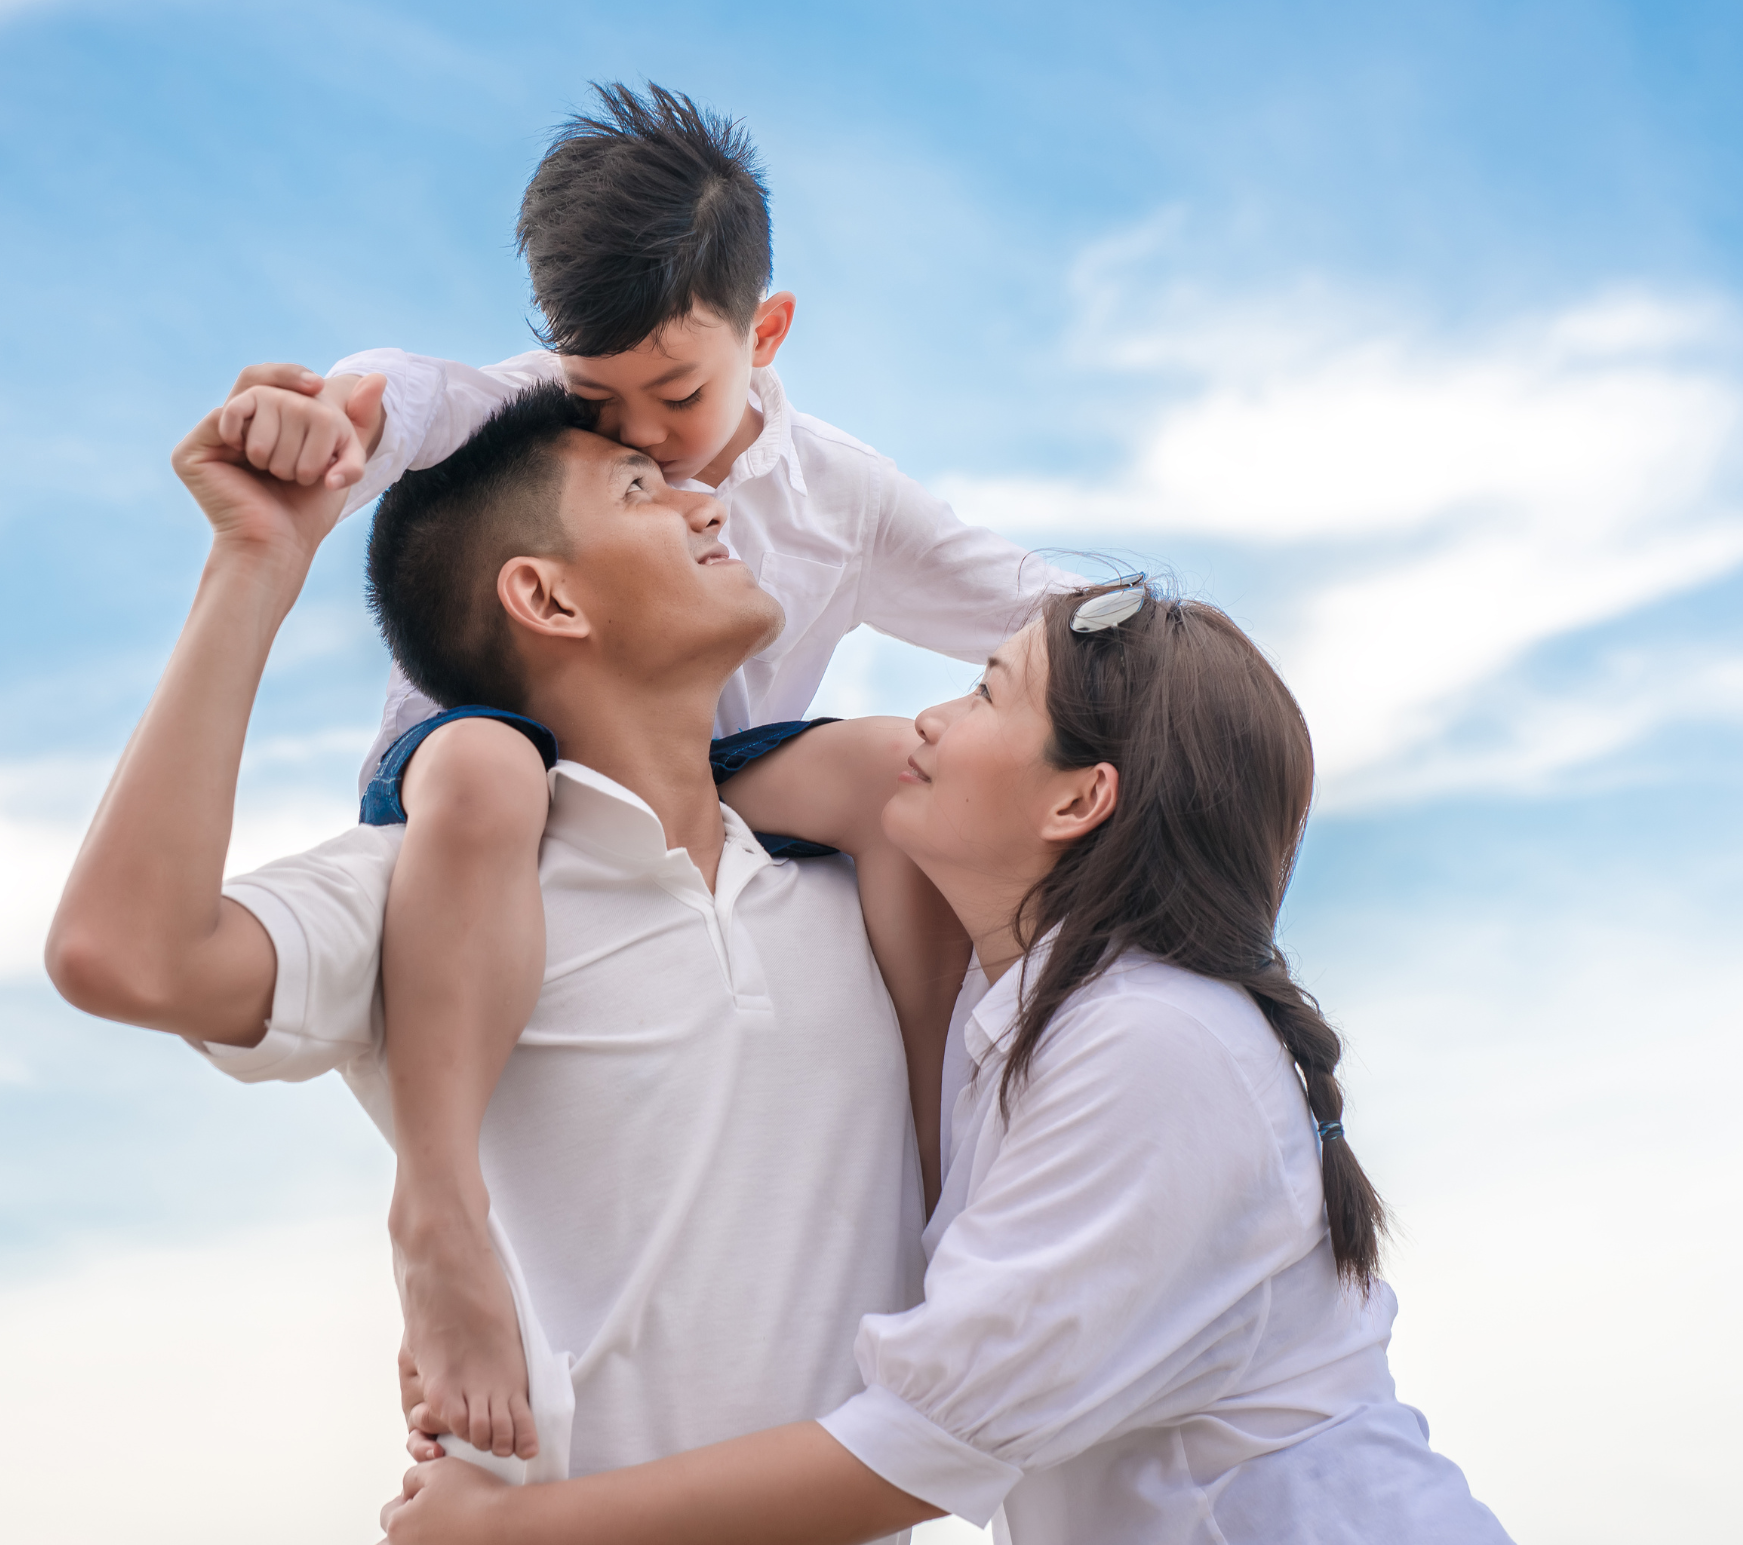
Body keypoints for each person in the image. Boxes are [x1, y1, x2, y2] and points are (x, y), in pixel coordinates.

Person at [219, 81, 1066, 1459]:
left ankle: (938, 1184)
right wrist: (323, 417)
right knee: (496, 769)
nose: (645, 440)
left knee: (887, 778)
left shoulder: (839, 494)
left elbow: (1011, 596)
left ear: (767, 332)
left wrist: (1157, 637)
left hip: (705, 779)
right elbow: (406, 389)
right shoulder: (540, 418)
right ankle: (437, 1209)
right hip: (481, 763)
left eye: (677, 393)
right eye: (599, 398)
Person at [379, 581, 1517, 1544]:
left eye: (983, 693)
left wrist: (510, 1527)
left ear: (1079, 797)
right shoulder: (1032, 1013)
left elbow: (917, 1449)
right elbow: (689, 790)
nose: (926, 717)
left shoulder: (1151, 1045)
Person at [45, 379, 945, 1525]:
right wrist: (255, 563)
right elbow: (122, 953)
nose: (706, 507)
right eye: (640, 490)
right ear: (545, 597)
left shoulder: (851, 880)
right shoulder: (436, 892)